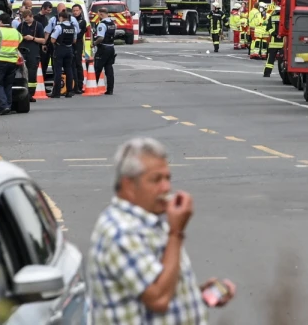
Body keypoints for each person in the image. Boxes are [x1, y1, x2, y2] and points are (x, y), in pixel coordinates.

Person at [88, 138, 235, 324]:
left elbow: (155, 283)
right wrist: (176, 233)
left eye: (168, 178)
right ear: (128, 185)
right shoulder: (120, 232)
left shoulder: (149, 220)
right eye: (156, 179)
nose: (166, 187)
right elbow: (158, 299)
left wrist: (195, 295)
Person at [0, 12, 22, 115]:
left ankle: (3, 106)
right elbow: (19, 43)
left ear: (1, 21)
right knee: (8, 84)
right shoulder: (16, 33)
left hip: (0, 61)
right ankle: (8, 106)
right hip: (12, 62)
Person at [48, 8, 80, 99]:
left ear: (61, 17)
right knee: (69, 70)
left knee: (58, 71)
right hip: (69, 49)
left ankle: (56, 92)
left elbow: (53, 39)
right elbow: (74, 40)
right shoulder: (73, 27)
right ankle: (69, 91)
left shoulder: (59, 27)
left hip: (60, 49)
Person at [17, 9, 47, 98]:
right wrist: (22, 37)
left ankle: (31, 94)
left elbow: (43, 40)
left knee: (32, 73)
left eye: (27, 19)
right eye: (24, 20)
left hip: (33, 51)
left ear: (31, 16)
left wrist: (32, 38)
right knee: (21, 72)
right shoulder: (21, 25)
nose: (26, 21)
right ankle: (22, 92)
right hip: (22, 51)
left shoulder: (38, 26)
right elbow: (16, 37)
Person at [94, 12, 117, 96]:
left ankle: (93, 87)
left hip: (103, 48)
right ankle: (110, 90)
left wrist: (94, 43)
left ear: (101, 14)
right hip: (111, 48)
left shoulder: (102, 24)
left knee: (97, 68)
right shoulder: (113, 23)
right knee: (109, 69)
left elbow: (100, 38)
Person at [71, 3, 89, 94]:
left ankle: (79, 85)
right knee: (71, 65)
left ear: (80, 11)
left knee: (78, 64)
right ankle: (73, 85)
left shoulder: (82, 21)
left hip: (77, 43)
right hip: (70, 44)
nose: (75, 12)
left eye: (77, 10)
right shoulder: (71, 20)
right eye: (73, 11)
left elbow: (78, 34)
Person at [262, 4, 282, 78]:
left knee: (270, 60)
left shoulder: (272, 17)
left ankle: (267, 74)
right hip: (283, 43)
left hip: (274, 42)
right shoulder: (285, 17)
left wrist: (274, 34)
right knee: (284, 60)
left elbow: (269, 28)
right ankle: (285, 74)